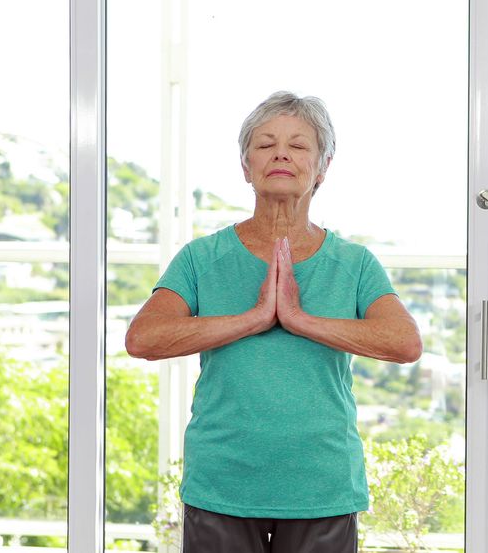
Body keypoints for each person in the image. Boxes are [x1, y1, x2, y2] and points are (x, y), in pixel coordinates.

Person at [125, 91, 423, 552]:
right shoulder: (202, 258)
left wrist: (299, 319)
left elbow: (404, 343)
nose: (281, 153)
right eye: (265, 144)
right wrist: (255, 317)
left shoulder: (355, 263)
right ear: (246, 167)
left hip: (321, 487)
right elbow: (144, 337)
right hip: (223, 484)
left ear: (321, 169)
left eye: (299, 145)